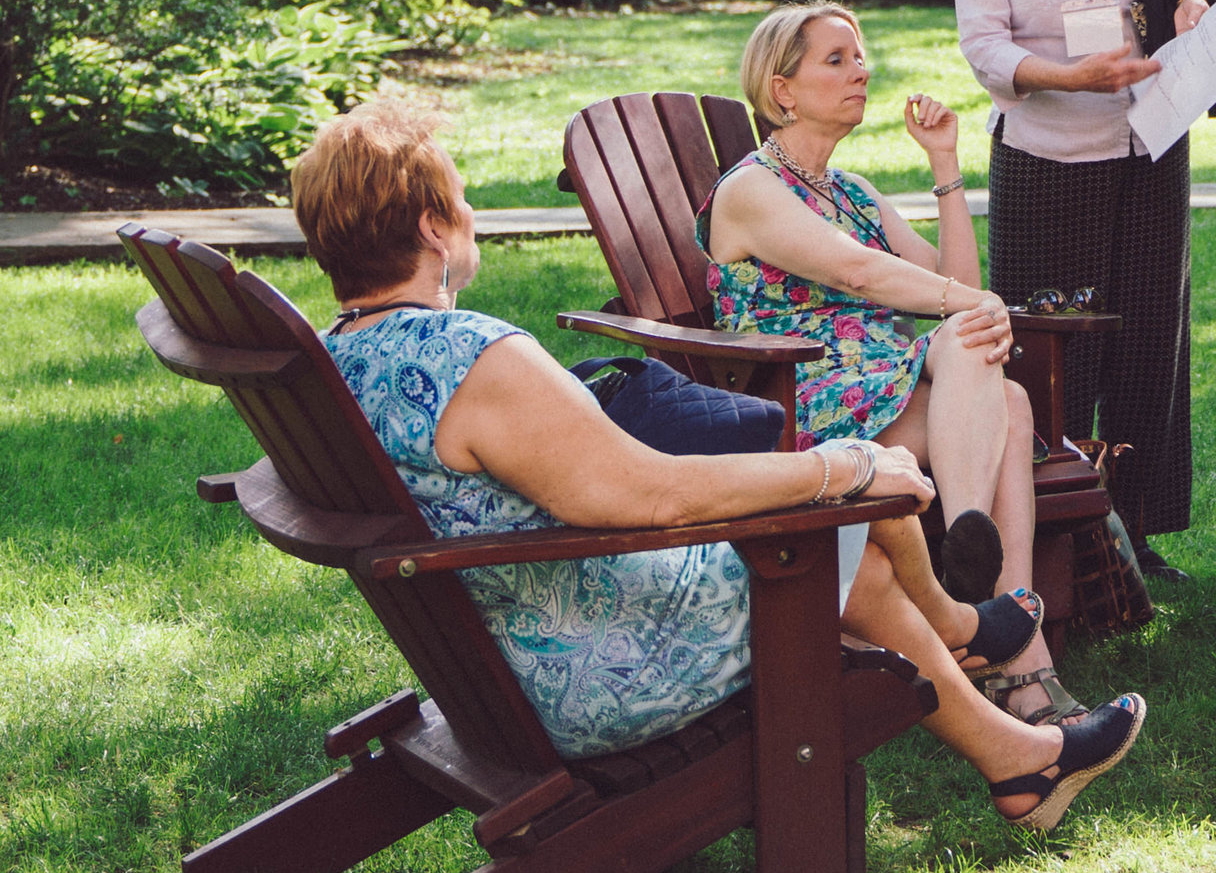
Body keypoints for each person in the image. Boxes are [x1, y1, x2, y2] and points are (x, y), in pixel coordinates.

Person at [293, 100, 1146, 834]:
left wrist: (840, 474)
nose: (471, 212)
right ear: (432, 229)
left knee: (850, 527)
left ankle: (1012, 744)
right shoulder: (475, 359)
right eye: (462, 199)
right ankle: (1008, 733)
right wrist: (834, 471)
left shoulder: (339, 362)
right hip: (594, 670)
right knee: (836, 539)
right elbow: (653, 494)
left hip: (498, 655)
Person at [701, 8, 1055, 711]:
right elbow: (860, 275)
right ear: (784, 91)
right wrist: (975, 305)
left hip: (875, 387)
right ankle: (1019, 656)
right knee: (1000, 390)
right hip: (799, 406)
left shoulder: (854, 194)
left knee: (991, 374)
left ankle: (971, 563)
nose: (862, 70)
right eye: (836, 60)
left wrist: (945, 164)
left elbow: (945, 287)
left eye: (860, 57)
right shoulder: (750, 190)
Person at [955, 0, 1216, 580]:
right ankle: (1057, 530)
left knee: (1148, 337)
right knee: (1051, 347)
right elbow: (982, 42)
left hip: (1148, 143)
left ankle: (1136, 533)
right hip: (1044, 153)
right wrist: (1063, 79)